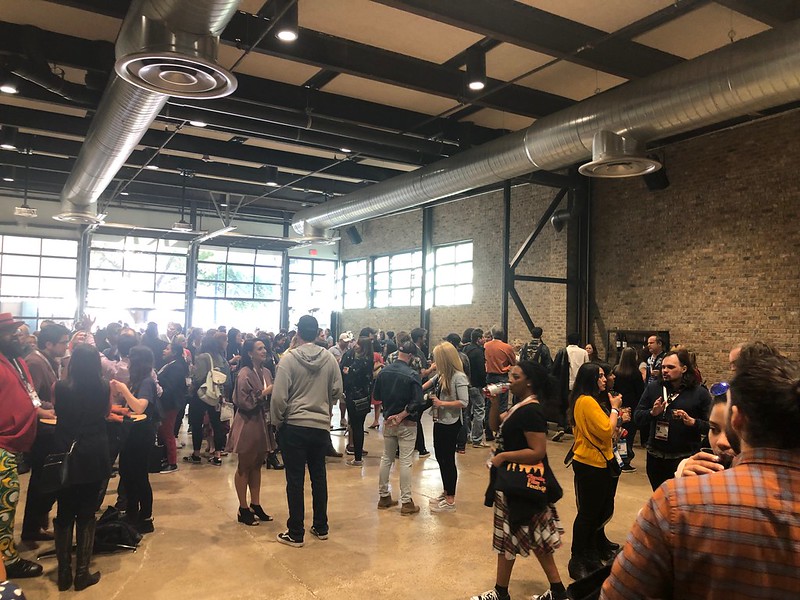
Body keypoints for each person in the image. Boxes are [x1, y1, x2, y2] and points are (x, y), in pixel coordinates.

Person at [601, 345, 800, 600]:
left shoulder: (677, 503)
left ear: (736, 420)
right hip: (658, 455)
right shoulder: (653, 390)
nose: (722, 442)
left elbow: (620, 593)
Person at [471, 361, 567, 600]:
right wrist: (494, 403)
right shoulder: (519, 407)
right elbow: (496, 426)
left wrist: (503, 456)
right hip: (515, 483)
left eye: (515, 377)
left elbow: (537, 451)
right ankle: (513, 591)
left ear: (529, 382)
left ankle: (510, 592)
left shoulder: (531, 411)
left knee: (524, 537)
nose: (510, 381)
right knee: (523, 536)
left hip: (522, 484)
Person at [270, 315, 343, 548]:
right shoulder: (329, 358)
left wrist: (277, 421)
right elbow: (337, 390)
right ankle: (321, 526)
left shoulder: (289, 359)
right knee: (319, 476)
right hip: (320, 425)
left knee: (295, 479)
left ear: (298, 333)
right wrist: (324, 402)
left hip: (294, 424)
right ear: (318, 332)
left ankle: (296, 532)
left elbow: (278, 397)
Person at [53, 344, 111, 591]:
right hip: (93, 451)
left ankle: (63, 572)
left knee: (64, 510)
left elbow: (57, 411)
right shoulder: (104, 386)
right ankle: (82, 573)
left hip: (65, 451)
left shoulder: (61, 387)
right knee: (87, 511)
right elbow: (106, 412)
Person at [567, 363, 627, 580]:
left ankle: (591, 553)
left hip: (599, 462)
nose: (604, 379)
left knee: (597, 512)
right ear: (590, 379)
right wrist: (615, 409)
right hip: (590, 464)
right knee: (587, 514)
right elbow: (605, 430)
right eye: (600, 376)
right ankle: (577, 558)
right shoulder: (586, 401)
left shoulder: (589, 400)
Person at [0, 313, 45, 579]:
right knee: (5, 503)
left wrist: (40, 412)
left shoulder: (17, 361)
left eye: (19, 332)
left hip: (16, 444)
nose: (18, 337)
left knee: (9, 500)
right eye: (11, 333)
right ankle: (8, 561)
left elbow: (30, 395)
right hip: (2, 443)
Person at [634, 348, 712, 490]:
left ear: (684, 369)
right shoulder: (654, 388)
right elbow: (637, 417)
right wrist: (652, 413)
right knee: (660, 496)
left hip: (684, 457)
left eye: (670, 367)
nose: (665, 370)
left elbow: (712, 427)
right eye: (663, 367)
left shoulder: (699, 393)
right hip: (655, 457)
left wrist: (694, 423)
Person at [21, 323, 69, 542]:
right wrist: (49, 408)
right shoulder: (35, 362)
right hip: (43, 430)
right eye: (63, 342)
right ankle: (32, 528)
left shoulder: (47, 361)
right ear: (49, 344)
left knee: (45, 480)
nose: (66, 346)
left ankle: (36, 525)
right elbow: (30, 397)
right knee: (42, 481)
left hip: (50, 426)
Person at [374, 340, 426, 515]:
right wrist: (402, 415)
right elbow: (418, 401)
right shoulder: (412, 374)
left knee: (386, 458)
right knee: (405, 461)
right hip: (407, 423)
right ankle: (406, 501)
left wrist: (392, 413)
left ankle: (383, 496)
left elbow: (377, 395)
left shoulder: (384, 372)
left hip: (388, 421)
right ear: (411, 356)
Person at [110, 345, 158, 534]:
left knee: (139, 476)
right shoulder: (137, 381)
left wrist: (123, 389)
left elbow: (139, 407)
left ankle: (145, 518)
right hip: (131, 435)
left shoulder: (147, 382)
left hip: (142, 436)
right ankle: (132, 513)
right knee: (127, 474)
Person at [228, 339, 275, 526]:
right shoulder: (244, 373)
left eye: (264, 348)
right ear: (249, 353)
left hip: (263, 421)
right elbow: (243, 401)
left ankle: (256, 504)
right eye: (259, 348)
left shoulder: (266, 372)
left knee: (257, 465)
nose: (264, 351)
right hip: (248, 422)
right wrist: (263, 393)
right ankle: (243, 507)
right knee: (245, 465)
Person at [429, 342, 470, 513]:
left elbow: (464, 402)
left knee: (448, 459)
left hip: (451, 423)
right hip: (439, 421)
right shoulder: (441, 375)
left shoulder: (459, 377)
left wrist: (442, 403)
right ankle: (446, 491)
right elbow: (426, 384)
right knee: (440, 457)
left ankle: (450, 499)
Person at [675, 383, 736, 477]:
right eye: (714, 429)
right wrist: (682, 481)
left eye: (734, 432)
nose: (721, 442)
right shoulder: (689, 468)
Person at [184, 333, 227, 466]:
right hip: (216, 393)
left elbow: (198, 378)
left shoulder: (202, 357)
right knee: (216, 424)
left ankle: (196, 454)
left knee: (197, 424)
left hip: (202, 394)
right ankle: (217, 455)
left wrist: (192, 376)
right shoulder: (220, 357)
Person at [340, 336, 374, 466]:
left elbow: (347, 371)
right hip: (365, 397)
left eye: (358, 344)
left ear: (363, 347)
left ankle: (357, 458)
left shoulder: (359, 361)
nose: (355, 346)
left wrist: (347, 370)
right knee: (359, 425)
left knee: (356, 426)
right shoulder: (369, 360)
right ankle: (358, 456)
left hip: (354, 397)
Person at [156, 342, 188, 474]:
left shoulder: (176, 367)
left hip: (170, 404)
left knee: (168, 431)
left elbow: (172, 386)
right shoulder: (171, 364)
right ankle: (165, 457)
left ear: (174, 352)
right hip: (167, 403)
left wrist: (158, 384)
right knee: (163, 431)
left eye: (167, 349)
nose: (164, 351)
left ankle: (172, 462)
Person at [612, 347, 645, 473]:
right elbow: (640, 391)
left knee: (618, 433)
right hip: (631, 407)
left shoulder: (616, 370)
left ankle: (617, 458)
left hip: (619, 405)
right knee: (628, 435)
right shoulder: (635, 373)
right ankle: (625, 461)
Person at [551, 333, 589, 442]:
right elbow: (587, 367)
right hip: (579, 384)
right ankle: (575, 428)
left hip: (565, 383)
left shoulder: (563, 351)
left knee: (563, 405)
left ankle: (561, 427)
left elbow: (555, 368)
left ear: (568, 341)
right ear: (578, 341)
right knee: (576, 406)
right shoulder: (584, 352)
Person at [484, 326, 516, 415]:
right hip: (502, 378)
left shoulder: (486, 346)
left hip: (490, 377)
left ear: (492, 334)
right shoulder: (507, 347)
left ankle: (488, 423)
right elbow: (513, 362)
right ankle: (501, 423)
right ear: (503, 335)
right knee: (502, 404)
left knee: (490, 403)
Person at [464, 328, 489, 445]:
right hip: (476, 385)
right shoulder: (478, 352)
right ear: (478, 339)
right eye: (483, 337)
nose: (484, 339)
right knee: (479, 410)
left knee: (466, 412)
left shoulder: (466, 349)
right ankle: (477, 439)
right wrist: (484, 384)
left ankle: (466, 435)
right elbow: (481, 371)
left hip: (466, 384)